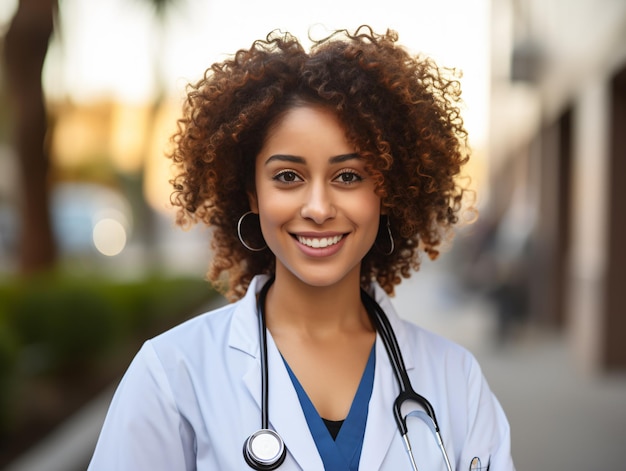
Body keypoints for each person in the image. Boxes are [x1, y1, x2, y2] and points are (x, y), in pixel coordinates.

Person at [88, 25, 515, 470]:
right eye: (288, 176)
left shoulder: (455, 379)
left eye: (348, 176)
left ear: (387, 193)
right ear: (251, 193)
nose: (317, 208)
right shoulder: (172, 374)